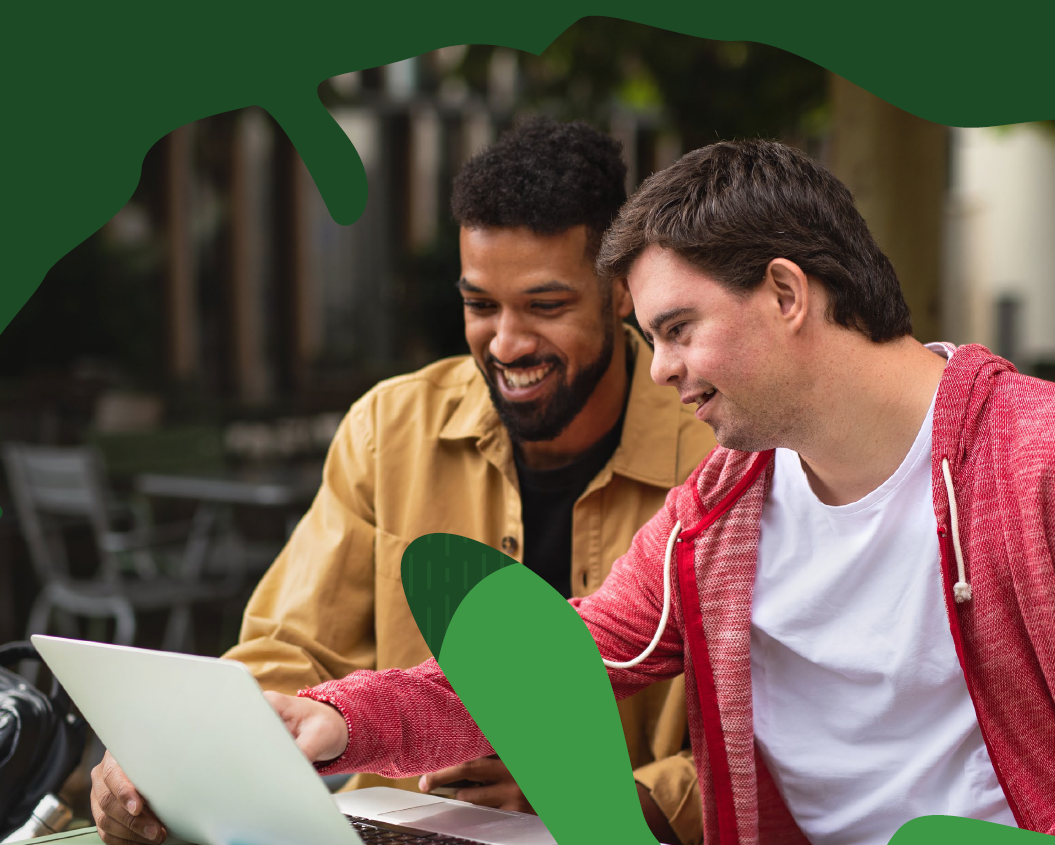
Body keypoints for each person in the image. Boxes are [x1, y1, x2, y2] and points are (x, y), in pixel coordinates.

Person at [246, 139, 1055, 844]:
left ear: (785, 292)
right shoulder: (722, 509)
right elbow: (554, 662)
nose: (658, 370)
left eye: (678, 330)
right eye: (651, 337)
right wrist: (341, 721)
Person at [88, 118, 716, 845]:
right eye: (480, 305)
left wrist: (602, 798)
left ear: (620, 294)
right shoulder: (389, 429)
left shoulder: (717, 456)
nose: (506, 343)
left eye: (546, 306)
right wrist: (179, 760)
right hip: (385, 826)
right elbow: (288, 651)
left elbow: (773, 749)